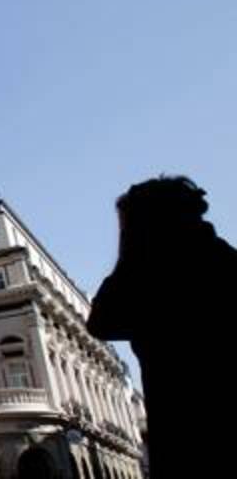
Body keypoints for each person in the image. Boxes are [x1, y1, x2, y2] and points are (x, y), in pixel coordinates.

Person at [86, 175, 236, 475]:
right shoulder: (224, 259)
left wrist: (127, 252)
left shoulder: (150, 274)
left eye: (126, 225)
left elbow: (102, 321)